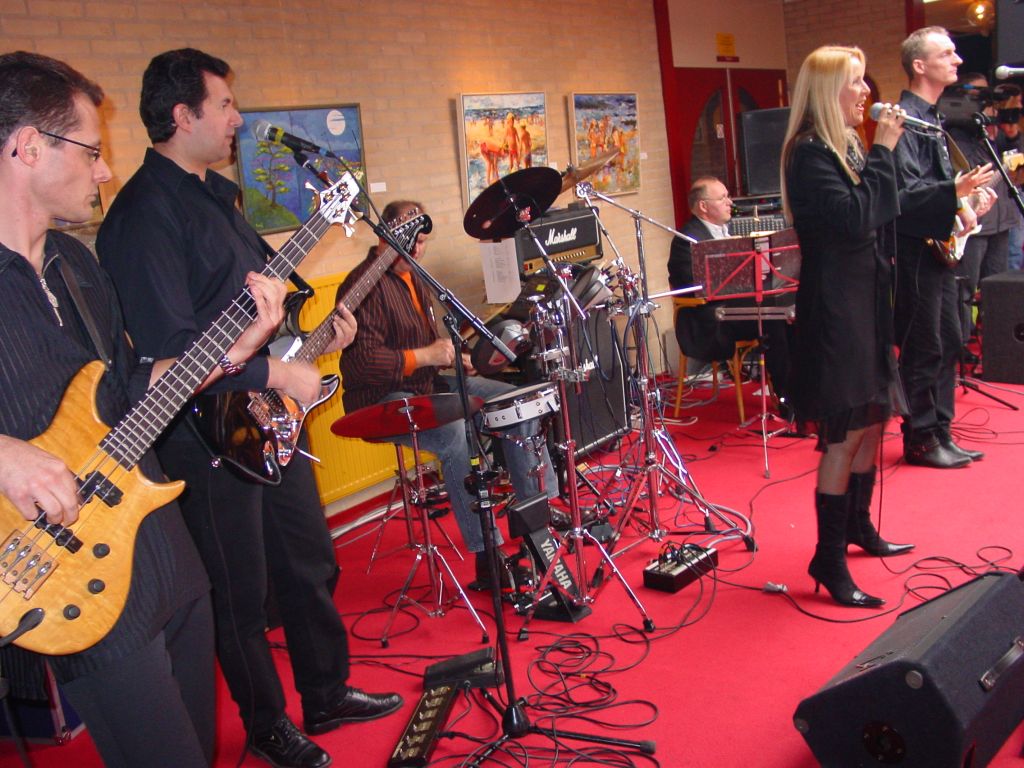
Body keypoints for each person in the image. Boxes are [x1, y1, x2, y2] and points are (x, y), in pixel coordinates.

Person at [96, 48, 402, 768]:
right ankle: (267, 725)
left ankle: (326, 691)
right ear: (183, 116)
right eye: (226, 104)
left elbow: (254, 306)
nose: (237, 118)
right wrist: (278, 370)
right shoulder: (141, 217)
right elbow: (171, 351)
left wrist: (312, 339)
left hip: (265, 417)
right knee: (239, 592)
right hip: (201, 433)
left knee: (307, 559)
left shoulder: (217, 198)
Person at [0, 50, 245, 767]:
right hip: (68, 573)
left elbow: (126, 386)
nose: (105, 171)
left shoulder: (76, 265)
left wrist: (231, 348)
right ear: (28, 147)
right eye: (90, 151)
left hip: (159, 542)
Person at [337, 200, 557, 588]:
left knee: (517, 403)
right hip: (381, 399)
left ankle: (537, 517)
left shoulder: (415, 276)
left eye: (422, 241)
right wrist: (427, 355)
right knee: (455, 436)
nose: (416, 249)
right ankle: (487, 556)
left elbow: (426, 345)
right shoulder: (360, 286)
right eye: (409, 240)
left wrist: (457, 358)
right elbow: (361, 365)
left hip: (428, 386)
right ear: (384, 236)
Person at [781, 45, 913, 608]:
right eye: (855, 82)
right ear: (827, 89)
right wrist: (884, 150)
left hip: (866, 300)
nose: (866, 92)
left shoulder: (849, 144)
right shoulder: (810, 153)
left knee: (873, 420)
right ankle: (828, 558)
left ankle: (858, 525)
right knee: (845, 433)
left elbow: (882, 207)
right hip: (836, 309)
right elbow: (856, 217)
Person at [892, 27, 995, 469]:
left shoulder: (933, 119)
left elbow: (937, 187)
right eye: (947, 54)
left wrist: (966, 204)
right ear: (920, 66)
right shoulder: (904, 120)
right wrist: (956, 194)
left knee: (951, 338)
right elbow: (906, 193)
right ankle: (920, 438)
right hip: (915, 250)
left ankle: (941, 430)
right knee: (924, 345)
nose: (958, 60)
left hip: (938, 247)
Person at [667, 176, 791, 413]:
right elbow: (696, 287)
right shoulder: (687, 239)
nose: (730, 202)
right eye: (722, 198)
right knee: (775, 320)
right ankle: (788, 400)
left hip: (736, 308)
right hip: (709, 317)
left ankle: (798, 388)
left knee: (788, 313)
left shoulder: (728, 230)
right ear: (703, 206)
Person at [945, 75, 1015, 345]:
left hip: (1001, 220)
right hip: (975, 224)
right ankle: (961, 342)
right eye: (980, 96)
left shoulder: (993, 134)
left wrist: (1012, 135)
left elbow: (1013, 155)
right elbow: (970, 178)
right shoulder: (958, 136)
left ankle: (998, 343)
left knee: (998, 288)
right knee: (966, 287)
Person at [994, 85, 1024, 270]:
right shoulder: (993, 130)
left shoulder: (1016, 128)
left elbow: (1019, 159)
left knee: (1016, 249)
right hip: (1001, 193)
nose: (1020, 106)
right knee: (1012, 251)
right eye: (1017, 101)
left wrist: (1014, 136)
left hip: (1016, 190)